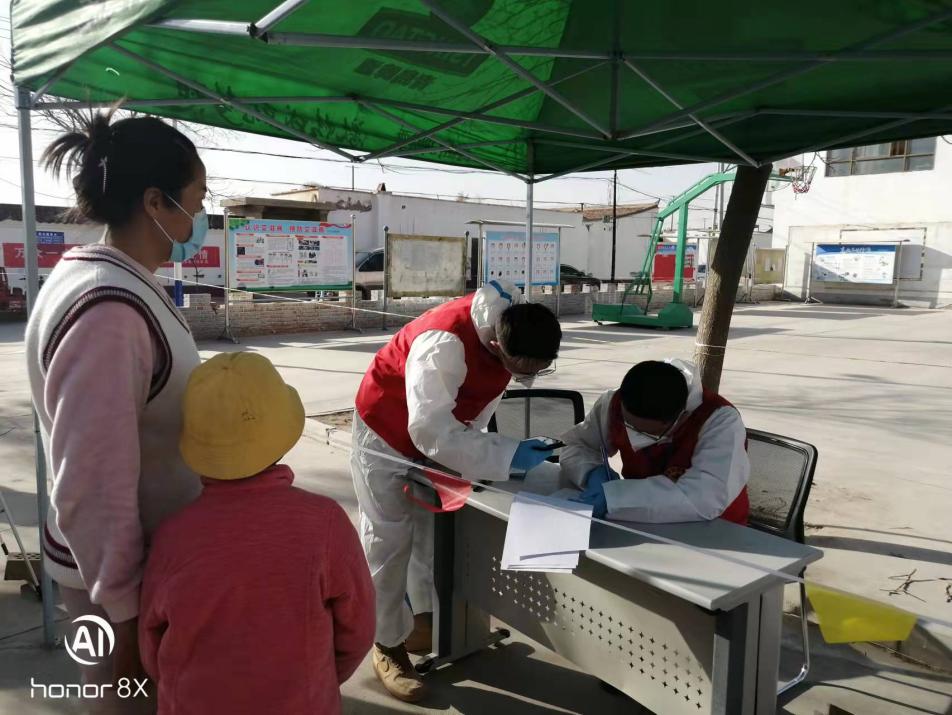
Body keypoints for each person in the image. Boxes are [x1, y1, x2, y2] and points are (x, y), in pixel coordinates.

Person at [25, 109, 209, 692]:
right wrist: (125, 621)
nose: (201, 216)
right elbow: (94, 483)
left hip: (129, 572)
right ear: (156, 202)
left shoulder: (112, 280)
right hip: (117, 585)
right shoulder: (108, 310)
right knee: (122, 699)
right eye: (197, 199)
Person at [351, 279, 562, 702]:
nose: (529, 379)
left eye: (540, 370)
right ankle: (386, 644)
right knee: (388, 542)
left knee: (435, 534)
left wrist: (486, 452)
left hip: (440, 434)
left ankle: (425, 622)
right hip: (385, 432)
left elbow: (472, 409)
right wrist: (505, 454)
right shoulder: (443, 343)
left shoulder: (515, 327)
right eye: (524, 370)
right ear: (498, 347)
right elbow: (429, 429)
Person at [139, 352, 374, 714]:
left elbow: (151, 645)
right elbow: (358, 631)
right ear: (282, 432)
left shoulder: (172, 536)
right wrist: (318, 680)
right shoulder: (325, 523)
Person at [561, 359, 750, 524]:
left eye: (649, 434)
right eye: (629, 425)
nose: (635, 438)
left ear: (681, 417)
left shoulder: (719, 420)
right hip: (635, 518)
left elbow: (705, 497)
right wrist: (591, 471)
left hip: (714, 528)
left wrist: (617, 499)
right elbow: (578, 445)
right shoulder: (615, 403)